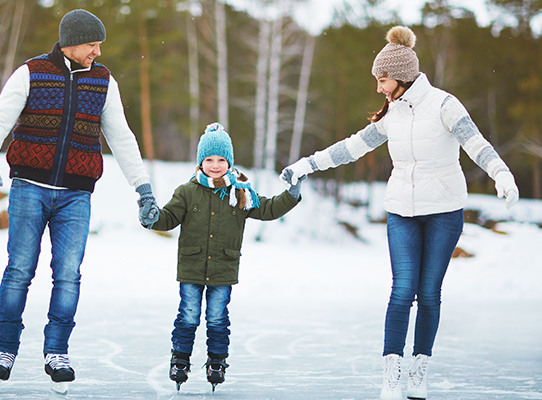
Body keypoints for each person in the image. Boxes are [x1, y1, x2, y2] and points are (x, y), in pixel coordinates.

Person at [280, 26, 519, 400]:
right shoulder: (393, 114)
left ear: (403, 76)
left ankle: (418, 371)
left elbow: (476, 143)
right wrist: (306, 165)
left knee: (429, 292)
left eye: (383, 79)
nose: (379, 88)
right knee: (402, 289)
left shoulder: (444, 105)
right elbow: (351, 148)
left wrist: (501, 173)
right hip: (401, 211)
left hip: (443, 211)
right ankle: (391, 376)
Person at [0, 9, 160, 390]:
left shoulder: (104, 82)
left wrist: (143, 188)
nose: (98, 52)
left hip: (76, 195)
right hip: (29, 188)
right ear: (73, 41)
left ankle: (57, 351)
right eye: (93, 44)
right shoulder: (32, 72)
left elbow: (122, 138)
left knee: (68, 275)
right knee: (19, 270)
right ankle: (4, 350)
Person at [146, 123, 302, 392]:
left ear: (229, 162)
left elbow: (268, 209)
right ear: (200, 162)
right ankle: (180, 358)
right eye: (209, 159)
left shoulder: (240, 192)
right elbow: (168, 218)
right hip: (192, 266)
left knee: (218, 317)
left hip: (223, 268)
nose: (215, 165)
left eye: (221, 159)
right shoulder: (187, 191)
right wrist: (151, 218)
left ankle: (217, 361)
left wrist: (292, 194)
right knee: (189, 315)